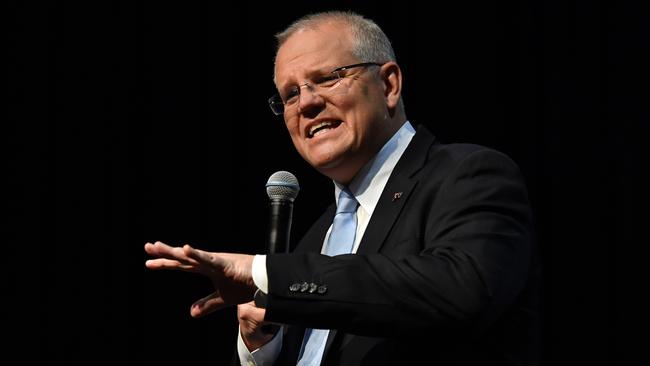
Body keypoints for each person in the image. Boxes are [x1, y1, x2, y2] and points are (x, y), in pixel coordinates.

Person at [144, 10, 541, 366]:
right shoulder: (316, 239)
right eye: (290, 94)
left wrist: (263, 271)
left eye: (327, 79)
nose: (306, 104)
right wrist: (260, 347)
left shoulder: (469, 175)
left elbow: (459, 290)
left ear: (388, 84)